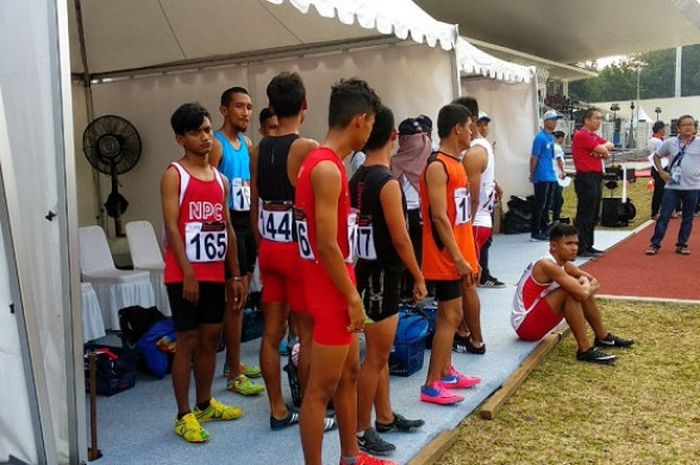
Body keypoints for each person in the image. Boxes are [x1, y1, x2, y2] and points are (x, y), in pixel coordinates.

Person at [295, 79, 394, 465]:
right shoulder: (326, 168)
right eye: (371, 125)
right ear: (360, 120)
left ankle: (351, 455)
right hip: (330, 291)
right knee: (320, 389)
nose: (371, 133)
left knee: (350, 373)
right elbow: (326, 244)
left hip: (337, 283)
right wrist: (352, 298)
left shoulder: (325, 163)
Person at [161, 103, 246, 442]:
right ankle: (183, 414)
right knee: (188, 341)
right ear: (181, 139)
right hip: (184, 275)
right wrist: (188, 273)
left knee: (212, 339)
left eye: (208, 130)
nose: (206, 137)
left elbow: (226, 228)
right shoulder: (174, 175)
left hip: (214, 274)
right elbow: (171, 225)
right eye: (197, 132)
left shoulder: (221, 179)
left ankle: (205, 403)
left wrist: (235, 275)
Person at [350, 105, 427, 456]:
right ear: (394, 137)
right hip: (384, 276)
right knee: (376, 358)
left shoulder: (356, 178)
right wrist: (418, 274)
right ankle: (361, 428)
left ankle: (383, 416)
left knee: (377, 356)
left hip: (365, 273)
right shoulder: (387, 183)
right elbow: (401, 238)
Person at [249, 72, 322, 430]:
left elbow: (253, 206)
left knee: (271, 332)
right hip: (297, 252)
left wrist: (262, 247)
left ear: (272, 108)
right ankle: (311, 408)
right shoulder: (307, 148)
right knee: (306, 333)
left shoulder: (257, 149)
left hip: (270, 249)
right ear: (305, 105)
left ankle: (278, 408)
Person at [419, 103, 482, 406]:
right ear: (457, 128)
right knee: (451, 316)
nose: (473, 132)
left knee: (453, 315)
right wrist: (457, 257)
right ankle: (431, 384)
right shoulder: (437, 165)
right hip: (445, 256)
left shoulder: (455, 163)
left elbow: (461, 219)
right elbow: (439, 217)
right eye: (469, 126)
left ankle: (446, 371)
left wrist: (470, 256)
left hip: (459, 253)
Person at [512, 223, 634, 364]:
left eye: (576, 243)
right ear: (553, 246)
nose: (574, 248)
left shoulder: (564, 264)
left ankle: (603, 337)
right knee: (570, 292)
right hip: (526, 327)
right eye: (569, 243)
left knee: (577, 290)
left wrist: (584, 284)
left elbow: (594, 281)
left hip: (536, 319)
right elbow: (584, 290)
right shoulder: (547, 265)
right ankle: (585, 350)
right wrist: (584, 284)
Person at [209, 86, 265, 396]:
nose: (245, 112)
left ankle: (235, 364)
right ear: (224, 110)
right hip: (228, 223)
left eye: (249, 107)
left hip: (247, 223)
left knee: (242, 298)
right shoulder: (216, 145)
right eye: (239, 107)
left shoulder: (247, 143)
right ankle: (232, 370)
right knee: (234, 298)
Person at [450, 97, 486, 356]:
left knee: (468, 283)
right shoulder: (478, 149)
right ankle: (464, 331)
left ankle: (475, 338)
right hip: (475, 222)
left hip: (474, 223)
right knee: (467, 282)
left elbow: (470, 196)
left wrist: (466, 225)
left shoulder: (474, 152)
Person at [391, 116, 433, 301]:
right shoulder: (429, 154)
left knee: (410, 254)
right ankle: (416, 289)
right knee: (415, 253)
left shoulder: (395, 160)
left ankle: (410, 290)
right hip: (417, 213)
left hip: (408, 213)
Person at [646, 115, 700, 256]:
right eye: (685, 125)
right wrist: (661, 172)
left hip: (692, 187)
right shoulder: (670, 143)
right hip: (672, 187)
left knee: (688, 218)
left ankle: (682, 245)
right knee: (664, 216)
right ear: (678, 128)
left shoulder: (699, 142)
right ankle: (655, 244)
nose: (689, 127)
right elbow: (656, 156)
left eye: (691, 124)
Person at [571, 109, 613, 257]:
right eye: (596, 118)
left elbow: (610, 145)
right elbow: (602, 148)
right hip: (586, 177)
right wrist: (602, 151)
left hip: (595, 176)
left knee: (594, 213)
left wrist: (602, 151)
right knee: (585, 213)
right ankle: (582, 246)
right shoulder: (581, 135)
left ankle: (589, 244)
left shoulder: (593, 136)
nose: (599, 121)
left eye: (600, 118)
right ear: (587, 120)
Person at [472, 111, 505, 289]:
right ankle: (480, 275)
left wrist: (495, 185)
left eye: (486, 124)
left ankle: (483, 273)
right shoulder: (475, 148)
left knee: (485, 240)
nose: (484, 128)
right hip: (477, 208)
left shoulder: (484, 146)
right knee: (478, 241)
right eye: (480, 124)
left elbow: (485, 173)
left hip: (485, 203)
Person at [530, 110, 562, 241]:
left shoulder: (551, 138)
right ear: (546, 121)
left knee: (548, 204)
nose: (555, 123)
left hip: (550, 174)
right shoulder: (540, 138)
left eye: (556, 120)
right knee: (540, 204)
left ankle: (544, 228)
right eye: (552, 120)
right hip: (542, 175)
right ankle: (535, 231)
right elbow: (534, 157)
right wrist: (532, 173)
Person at [647, 121, 667, 219]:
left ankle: (656, 211)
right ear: (660, 130)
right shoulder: (658, 141)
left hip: (655, 167)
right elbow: (662, 154)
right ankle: (655, 212)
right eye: (664, 129)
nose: (665, 131)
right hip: (660, 167)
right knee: (660, 191)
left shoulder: (652, 140)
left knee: (659, 190)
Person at [551, 131, 567, 223]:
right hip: (557, 175)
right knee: (559, 199)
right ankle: (555, 218)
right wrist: (563, 171)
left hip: (553, 175)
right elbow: (559, 160)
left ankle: (555, 216)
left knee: (556, 197)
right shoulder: (557, 147)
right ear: (560, 138)